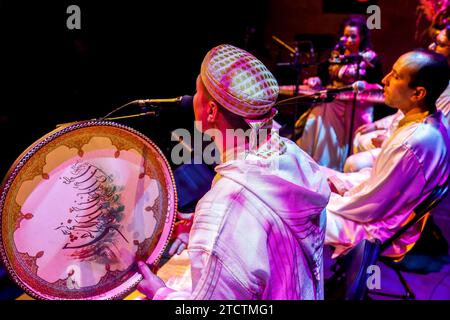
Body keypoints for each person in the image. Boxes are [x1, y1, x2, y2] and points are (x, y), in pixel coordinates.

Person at [136, 44, 331, 299]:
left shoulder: (227, 203)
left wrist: (160, 291)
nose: (190, 98)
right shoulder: (294, 158)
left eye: (196, 92)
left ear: (211, 111)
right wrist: (205, 225)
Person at [323, 49, 450, 259]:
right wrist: (341, 183)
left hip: (379, 228)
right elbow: (384, 183)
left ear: (418, 93)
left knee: (293, 209)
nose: (384, 80)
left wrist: (325, 196)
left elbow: (371, 205)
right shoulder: (430, 121)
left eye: (396, 75)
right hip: (379, 211)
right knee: (313, 177)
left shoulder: (414, 141)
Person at [345, 25, 450, 173]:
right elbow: (402, 113)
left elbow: (423, 141)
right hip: (398, 136)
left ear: (419, 93)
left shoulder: (442, 94)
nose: (431, 46)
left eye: (440, 44)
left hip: (404, 145)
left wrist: (389, 142)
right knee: (360, 137)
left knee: (353, 164)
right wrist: (376, 125)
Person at [296, 15, 383, 171]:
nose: (348, 40)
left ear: (362, 37)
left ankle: (343, 169)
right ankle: (319, 167)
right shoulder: (336, 55)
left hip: (357, 105)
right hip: (334, 103)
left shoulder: (370, 59)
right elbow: (323, 77)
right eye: (345, 35)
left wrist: (363, 86)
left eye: (353, 36)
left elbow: (378, 85)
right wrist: (316, 80)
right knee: (316, 115)